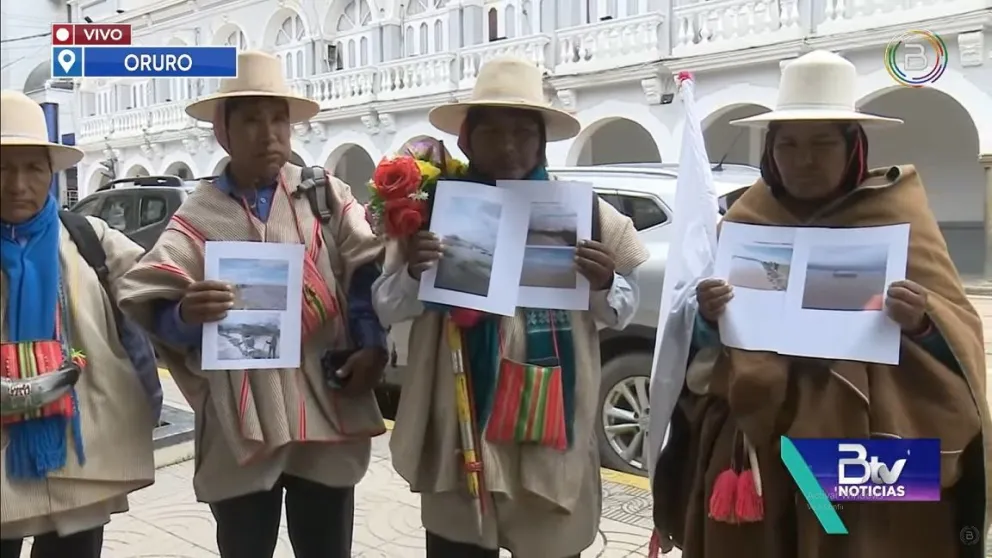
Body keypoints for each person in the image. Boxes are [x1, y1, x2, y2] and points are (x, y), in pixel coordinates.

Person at [651, 50, 991, 558]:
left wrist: (922, 322)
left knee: (843, 542)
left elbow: (961, 338)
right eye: (787, 144)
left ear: (854, 146)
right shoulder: (745, 222)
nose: (803, 160)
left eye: (822, 143)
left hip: (861, 451)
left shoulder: (896, 218)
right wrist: (707, 315)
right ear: (770, 150)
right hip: (753, 450)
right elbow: (699, 354)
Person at [372, 56, 651, 558]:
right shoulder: (432, 212)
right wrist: (414, 271)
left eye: (522, 133)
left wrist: (605, 282)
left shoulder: (585, 212)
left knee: (548, 536)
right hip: (458, 418)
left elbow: (622, 311)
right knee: (460, 542)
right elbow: (387, 307)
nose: (507, 147)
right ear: (467, 140)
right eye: (492, 132)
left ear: (542, 140)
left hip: (551, 424)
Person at [114, 51, 388, 558]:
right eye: (251, 120)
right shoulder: (198, 216)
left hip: (323, 408)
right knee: (245, 547)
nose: (269, 133)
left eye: (278, 118)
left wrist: (372, 345)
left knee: (326, 547)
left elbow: (366, 263)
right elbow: (149, 297)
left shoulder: (323, 194)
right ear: (224, 132)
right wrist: (187, 315)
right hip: (239, 419)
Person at [0, 91, 156, 558]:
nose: (17, 183)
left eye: (32, 168)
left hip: (80, 456)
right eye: (4, 167)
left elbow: (154, 291)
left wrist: (194, 299)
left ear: (50, 173)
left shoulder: (90, 240)